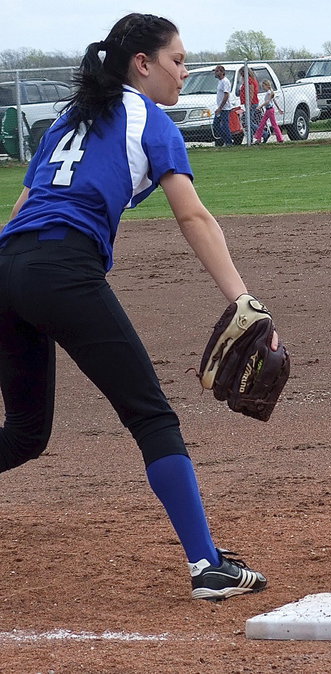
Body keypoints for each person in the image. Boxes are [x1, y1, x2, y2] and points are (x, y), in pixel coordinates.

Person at [0, 13, 271, 602]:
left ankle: (208, 562)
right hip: (64, 270)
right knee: (152, 418)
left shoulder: (67, 119)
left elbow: (21, 211)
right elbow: (193, 215)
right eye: (177, 59)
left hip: (9, 268)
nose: (185, 70)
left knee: (23, 435)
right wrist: (244, 300)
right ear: (141, 65)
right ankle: (207, 566)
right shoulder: (149, 118)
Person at [253, 79, 284, 144]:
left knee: (274, 124)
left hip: (270, 110)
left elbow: (268, 101)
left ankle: (280, 139)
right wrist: (279, 109)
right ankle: (258, 139)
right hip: (268, 110)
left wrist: (260, 106)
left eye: (263, 86)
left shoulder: (269, 93)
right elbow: (274, 101)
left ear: (267, 86)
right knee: (261, 124)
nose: (263, 88)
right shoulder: (270, 92)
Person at [237, 66, 260, 144]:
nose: (241, 75)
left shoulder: (249, 80)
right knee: (249, 122)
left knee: (248, 122)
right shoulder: (246, 80)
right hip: (248, 103)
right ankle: (251, 138)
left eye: (242, 73)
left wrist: (249, 103)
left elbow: (251, 91)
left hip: (251, 103)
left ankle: (263, 133)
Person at [213, 64, 233, 147]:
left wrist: (220, 108)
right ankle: (226, 140)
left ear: (221, 72)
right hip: (220, 108)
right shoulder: (220, 82)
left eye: (216, 71)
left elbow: (226, 95)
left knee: (225, 125)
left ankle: (229, 142)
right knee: (216, 125)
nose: (215, 73)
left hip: (224, 108)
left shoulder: (225, 81)